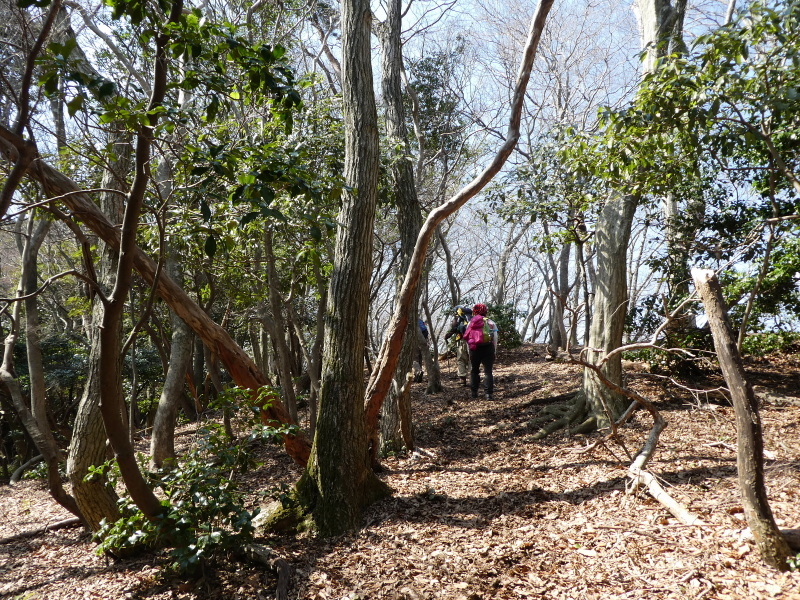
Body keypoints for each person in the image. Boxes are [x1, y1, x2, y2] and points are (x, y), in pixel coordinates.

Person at [462, 303, 499, 400]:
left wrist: (469, 351)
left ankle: (474, 393)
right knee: (488, 372)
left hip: (474, 349)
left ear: (474, 311)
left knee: (474, 370)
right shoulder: (491, 322)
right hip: (488, 348)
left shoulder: (471, 323)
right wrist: (494, 351)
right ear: (485, 311)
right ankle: (488, 394)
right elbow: (495, 338)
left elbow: (468, 338)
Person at [444, 305, 472, 386]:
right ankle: (473, 378)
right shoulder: (471, 317)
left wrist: (447, 336)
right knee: (471, 359)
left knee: (461, 359)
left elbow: (453, 329)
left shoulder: (458, 318)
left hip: (462, 340)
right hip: (472, 341)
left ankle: (463, 380)